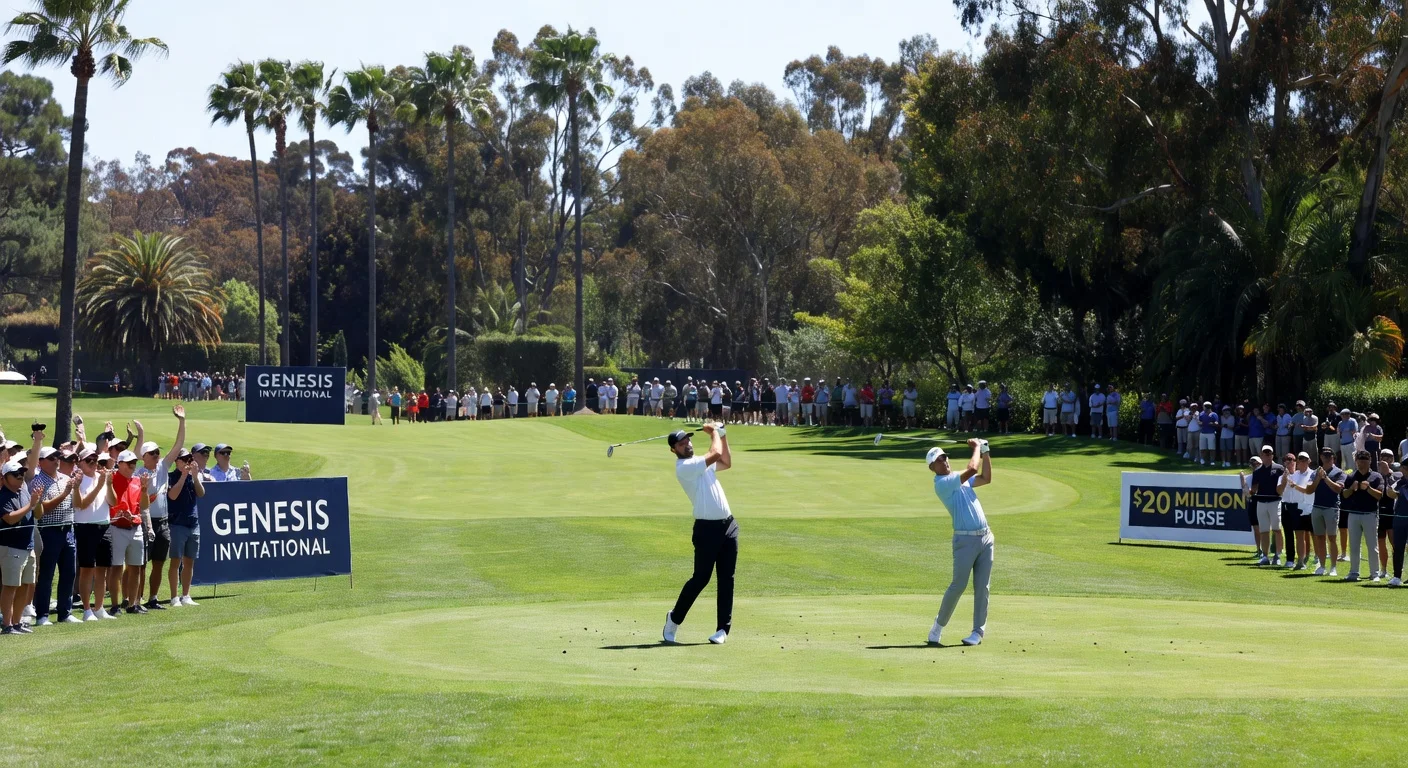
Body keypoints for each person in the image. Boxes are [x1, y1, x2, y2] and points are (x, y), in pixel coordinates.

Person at [661, 424, 736, 646]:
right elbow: (715, 454)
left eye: (689, 441)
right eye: (682, 443)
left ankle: (722, 629)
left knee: (726, 579)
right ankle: (674, 619)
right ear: (674, 450)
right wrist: (714, 433)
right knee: (701, 578)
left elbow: (726, 462)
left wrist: (723, 435)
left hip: (729, 526)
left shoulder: (701, 465)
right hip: (706, 529)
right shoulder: (685, 467)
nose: (688, 444)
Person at [927, 438, 994, 647]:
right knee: (958, 585)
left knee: (983, 587)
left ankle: (977, 632)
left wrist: (985, 451)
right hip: (964, 540)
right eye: (939, 460)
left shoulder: (958, 478)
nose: (944, 461)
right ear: (932, 467)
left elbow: (986, 477)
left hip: (986, 538)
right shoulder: (943, 484)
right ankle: (938, 626)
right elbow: (973, 468)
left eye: (945, 457)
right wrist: (975, 448)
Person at [134, 405, 187, 610]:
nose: (157, 456)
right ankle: (136, 599)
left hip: (163, 523)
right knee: (141, 564)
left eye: (157, 453)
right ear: (144, 456)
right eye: (153, 453)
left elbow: (179, 444)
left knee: (158, 563)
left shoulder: (163, 467)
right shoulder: (138, 473)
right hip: (144, 524)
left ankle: (153, 598)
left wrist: (181, 421)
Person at [30, 444, 82, 626]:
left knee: (69, 573)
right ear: (41, 462)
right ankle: (42, 614)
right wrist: (66, 492)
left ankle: (64, 612)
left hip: (68, 529)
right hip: (48, 531)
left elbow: (76, 504)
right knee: (46, 575)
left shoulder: (65, 478)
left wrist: (75, 489)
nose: (56, 461)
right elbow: (42, 509)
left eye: (57, 458)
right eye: (52, 458)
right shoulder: (37, 482)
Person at [73, 445, 115, 620]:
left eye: (95, 460)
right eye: (89, 460)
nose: (93, 463)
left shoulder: (102, 477)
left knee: (102, 570)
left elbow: (112, 501)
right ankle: (86, 610)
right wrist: (99, 486)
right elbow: (81, 504)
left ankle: (99, 608)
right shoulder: (78, 479)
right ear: (80, 463)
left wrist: (109, 484)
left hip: (104, 526)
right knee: (87, 570)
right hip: (85, 526)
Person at [106, 450, 149, 614]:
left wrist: (144, 490)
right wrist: (109, 484)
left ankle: (133, 604)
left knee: (136, 567)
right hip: (117, 527)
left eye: (134, 462)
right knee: (116, 568)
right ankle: (115, 605)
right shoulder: (112, 478)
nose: (133, 465)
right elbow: (112, 501)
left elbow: (144, 506)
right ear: (120, 463)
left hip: (135, 526)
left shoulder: (137, 481)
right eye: (129, 462)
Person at [1, 457, 39, 634]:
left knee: (26, 585)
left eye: (22, 474)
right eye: (15, 475)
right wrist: (30, 505)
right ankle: (7, 625)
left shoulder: (23, 492)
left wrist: (36, 503)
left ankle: (17, 622)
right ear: (5, 477)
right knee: (10, 586)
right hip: (11, 547)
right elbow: (10, 518)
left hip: (27, 546)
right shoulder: (3, 496)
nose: (20, 477)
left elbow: (37, 513)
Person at [165, 448, 203, 606]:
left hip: (193, 524)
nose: (188, 462)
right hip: (177, 524)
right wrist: (183, 476)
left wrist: (194, 476)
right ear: (176, 461)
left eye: (189, 459)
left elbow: (201, 493)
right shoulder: (172, 476)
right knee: (175, 562)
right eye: (184, 459)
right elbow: (172, 495)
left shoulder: (194, 476)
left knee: (189, 562)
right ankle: (174, 597)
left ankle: (186, 595)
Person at [1341, 450, 1384, 582]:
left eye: (1364, 460)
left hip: (1369, 514)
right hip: (1353, 514)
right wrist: (1351, 489)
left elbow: (1380, 495)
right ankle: (1354, 572)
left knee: (1372, 546)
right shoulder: (1351, 477)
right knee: (1354, 545)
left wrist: (1369, 488)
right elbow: (1345, 495)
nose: (1361, 463)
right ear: (1356, 461)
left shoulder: (1376, 477)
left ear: (1369, 461)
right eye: (1359, 460)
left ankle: (1375, 573)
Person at [1249, 445, 1287, 566]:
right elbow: (1254, 489)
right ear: (1261, 455)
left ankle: (1278, 555)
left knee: (1276, 529)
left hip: (1275, 502)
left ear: (1272, 455)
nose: (1267, 455)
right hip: (1261, 503)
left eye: (1269, 453)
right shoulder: (1258, 471)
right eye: (1265, 453)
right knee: (1264, 530)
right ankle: (1265, 556)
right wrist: (1247, 489)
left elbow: (1282, 486)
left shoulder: (1279, 468)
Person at [1282, 452, 1315, 570]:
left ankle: (1317, 559)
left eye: (1305, 459)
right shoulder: (1294, 474)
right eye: (1300, 459)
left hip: (1310, 509)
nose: (1302, 462)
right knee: (1299, 535)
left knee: (1315, 535)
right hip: (1298, 509)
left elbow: (1308, 490)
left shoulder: (1313, 474)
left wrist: (1295, 486)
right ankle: (1300, 561)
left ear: (1309, 461)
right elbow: (1286, 487)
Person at [1384, 460, 1408, 587]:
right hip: (1399, 519)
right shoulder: (1400, 482)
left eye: (1403, 468)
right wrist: (1391, 490)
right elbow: (1390, 493)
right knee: (1398, 548)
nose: (1402, 471)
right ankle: (1397, 576)